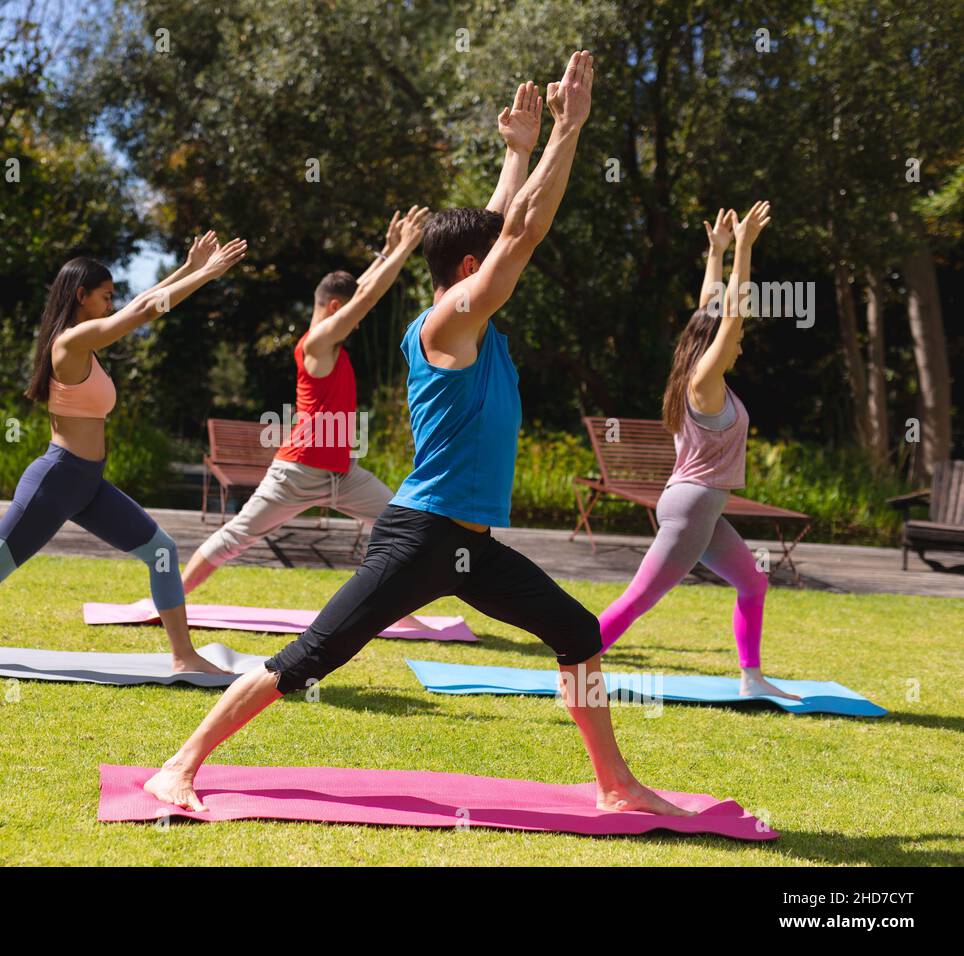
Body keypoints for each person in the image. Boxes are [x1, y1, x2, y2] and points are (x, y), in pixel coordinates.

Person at [143, 53, 692, 817]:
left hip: (469, 548)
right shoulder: (448, 325)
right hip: (418, 539)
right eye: (488, 260)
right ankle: (178, 765)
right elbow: (523, 231)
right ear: (469, 269)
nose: (507, 265)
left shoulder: (464, 312)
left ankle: (615, 782)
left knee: (577, 631)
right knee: (307, 659)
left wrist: (518, 152)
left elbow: (501, 227)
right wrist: (571, 127)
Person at [0, 233, 248, 674]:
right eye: (104, 296)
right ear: (81, 296)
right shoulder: (69, 344)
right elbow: (144, 310)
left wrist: (190, 269)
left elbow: (144, 300)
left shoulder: (86, 343)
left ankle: (182, 656)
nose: (111, 304)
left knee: (161, 551)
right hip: (55, 482)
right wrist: (207, 276)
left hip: (89, 484)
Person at [179, 206, 432, 631]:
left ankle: (401, 617)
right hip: (296, 473)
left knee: (401, 527)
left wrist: (387, 254)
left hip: (343, 474)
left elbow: (362, 292)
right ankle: (167, 601)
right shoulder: (317, 342)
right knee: (236, 537)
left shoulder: (330, 336)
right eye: (348, 313)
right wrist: (406, 249)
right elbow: (365, 298)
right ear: (335, 307)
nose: (357, 321)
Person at [597, 202, 797, 699]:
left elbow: (712, 308)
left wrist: (717, 254)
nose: (741, 344)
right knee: (640, 598)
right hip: (691, 506)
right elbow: (729, 312)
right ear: (715, 345)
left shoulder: (705, 379)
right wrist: (746, 250)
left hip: (702, 508)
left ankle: (752, 679)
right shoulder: (704, 383)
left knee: (753, 583)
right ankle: (576, 662)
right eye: (737, 339)